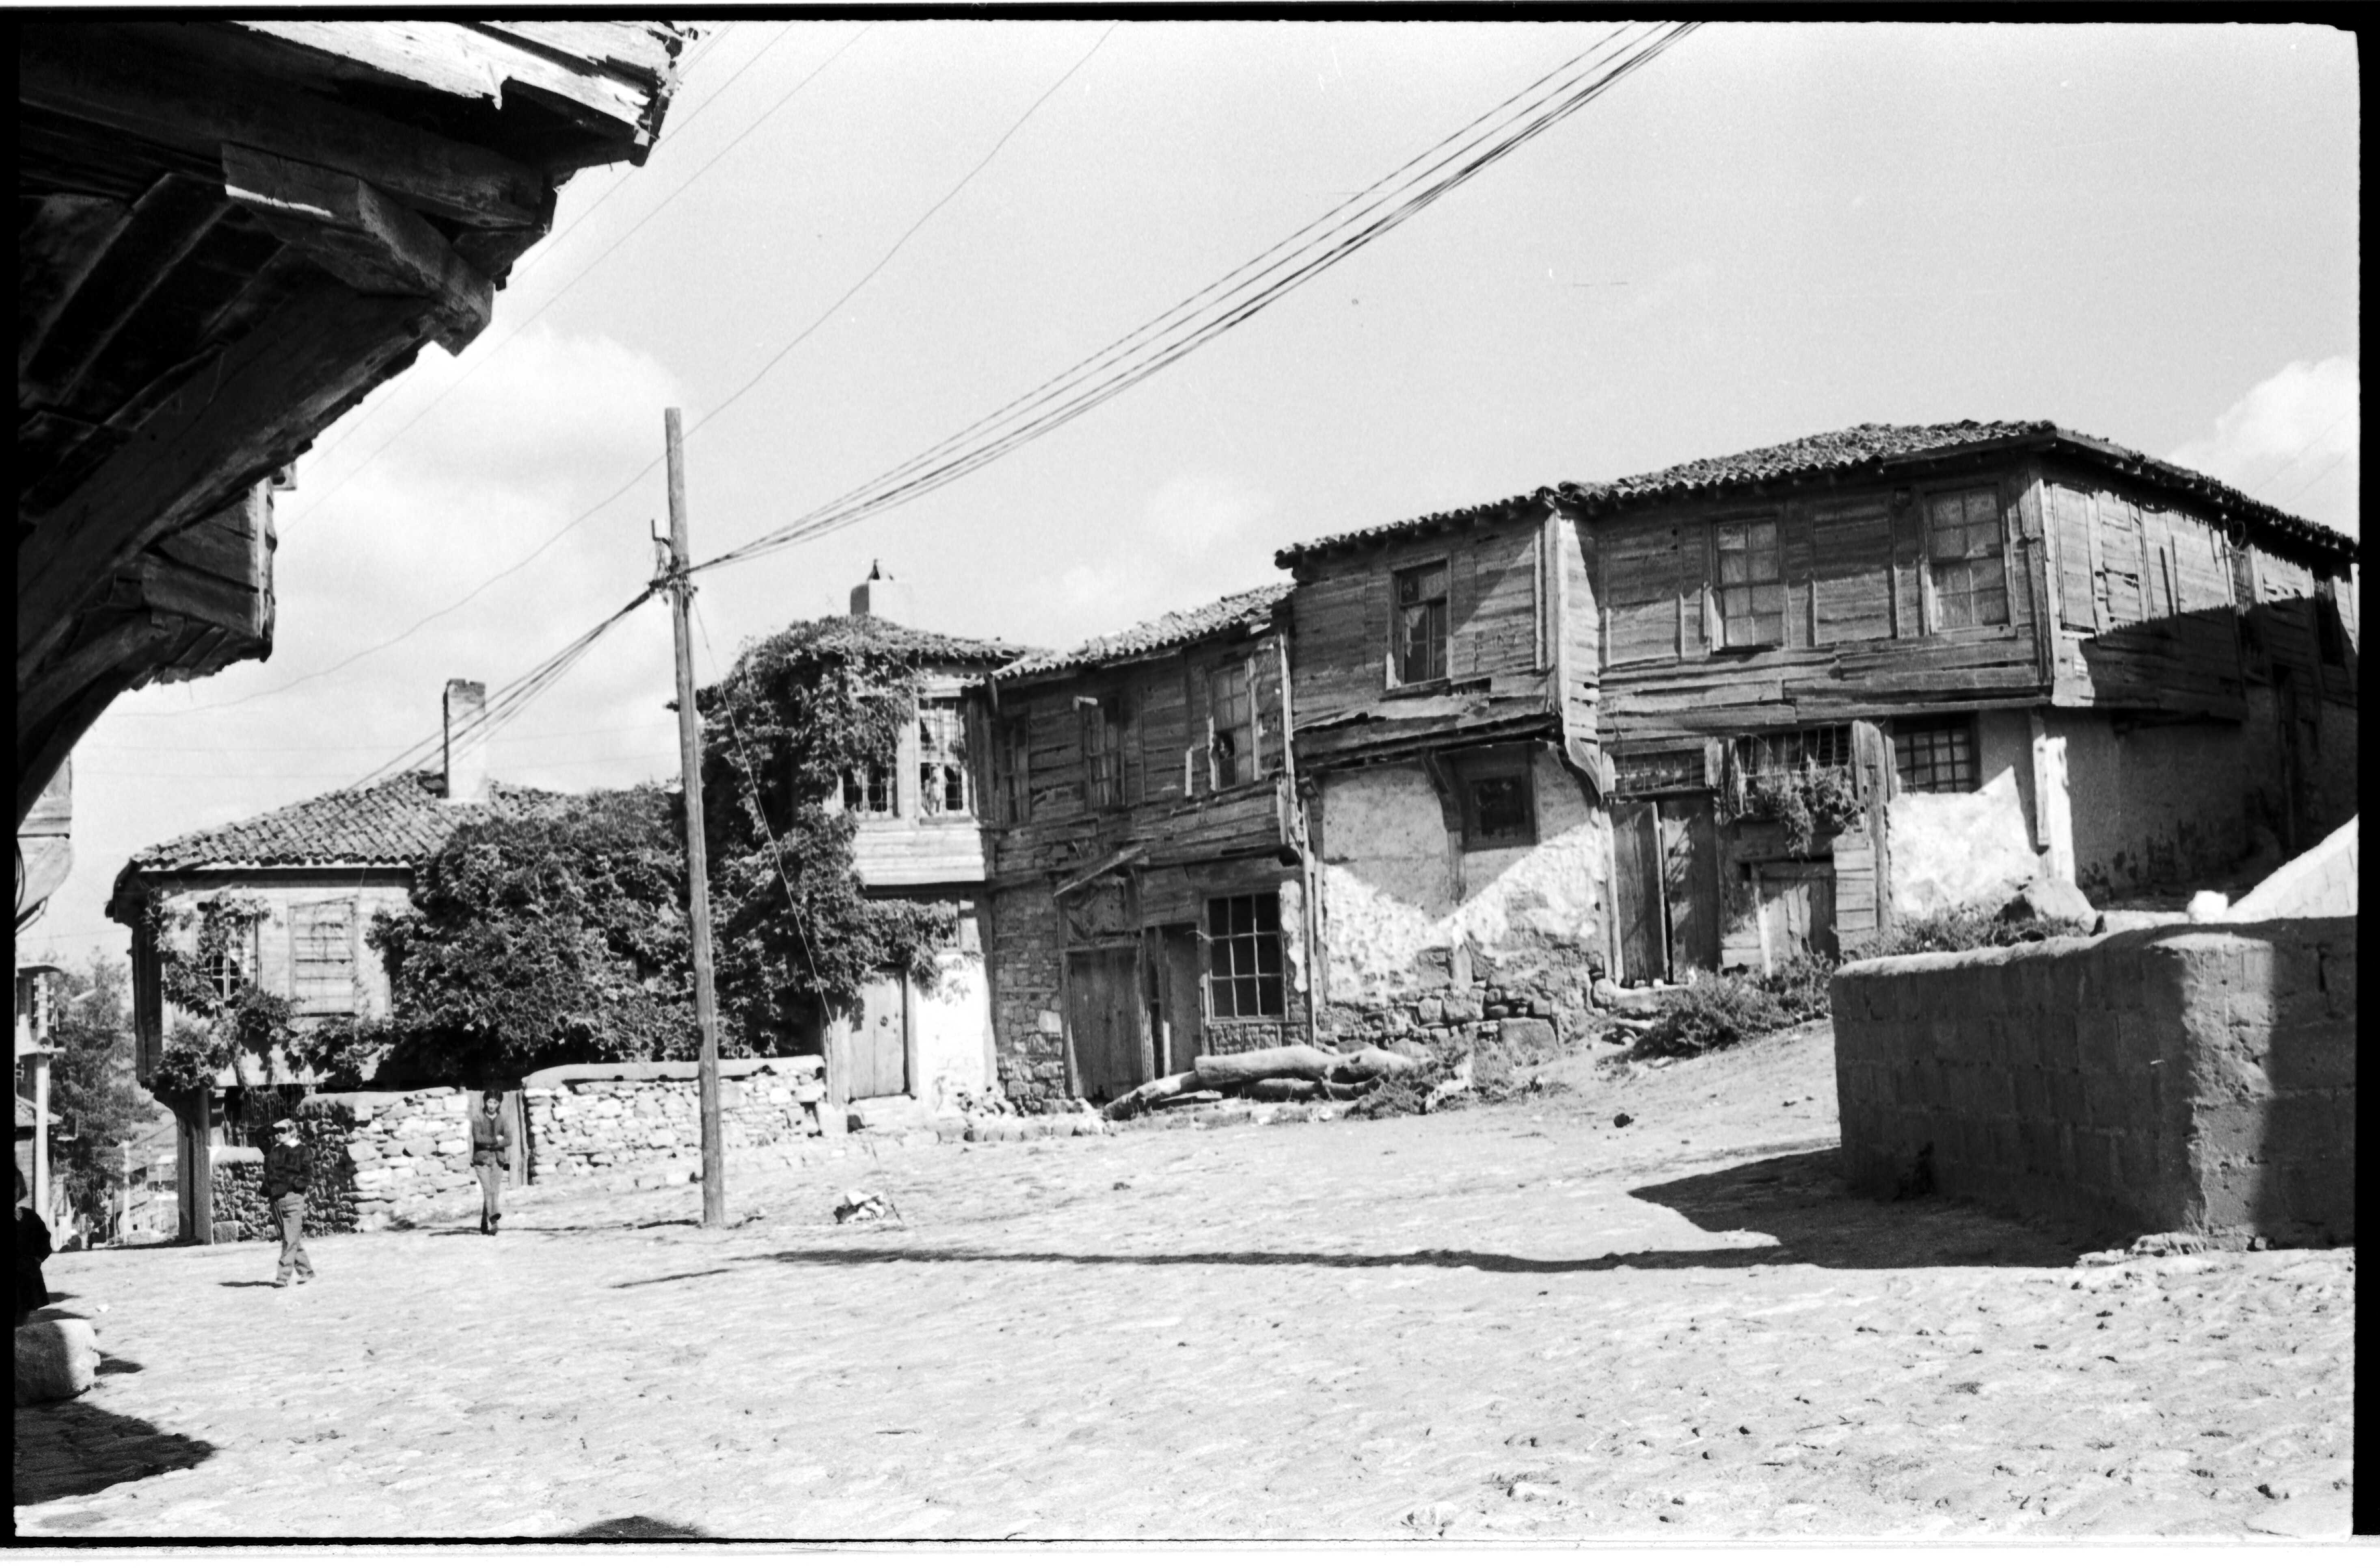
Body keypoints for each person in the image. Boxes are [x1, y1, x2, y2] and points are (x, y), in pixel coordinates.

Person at [263, 1116, 316, 1287]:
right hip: (276, 1200)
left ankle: (283, 1276)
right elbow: (268, 1171)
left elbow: (308, 1174)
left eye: (282, 1131)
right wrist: (269, 1189)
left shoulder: (303, 1151)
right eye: (276, 1131)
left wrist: (295, 1186)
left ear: (292, 1132)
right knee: (289, 1237)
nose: (278, 1134)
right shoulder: (274, 1151)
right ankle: (307, 1271)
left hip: (293, 1198)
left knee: (290, 1239)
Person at [470, 1090, 513, 1235]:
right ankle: (494, 1221)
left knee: (494, 1190)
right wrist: (496, 1140)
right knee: (488, 1189)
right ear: (485, 1102)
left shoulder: (503, 1119)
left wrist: (491, 1144)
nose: (492, 1105)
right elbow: (478, 1138)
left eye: (495, 1102)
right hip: (481, 1160)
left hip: (498, 1160)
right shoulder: (478, 1119)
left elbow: (509, 1140)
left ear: (499, 1104)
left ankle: (484, 1221)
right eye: (489, 1102)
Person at [14, 1165, 52, 1326]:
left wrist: (37, 1259)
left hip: (26, 1282)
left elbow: (44, 1240)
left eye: (15, 1186)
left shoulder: (30, 1217)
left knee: (21, 1323)